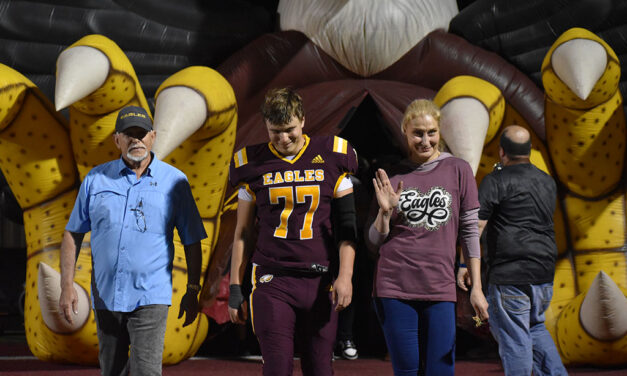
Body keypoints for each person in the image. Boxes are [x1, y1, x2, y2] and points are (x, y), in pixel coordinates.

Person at [58, 105, 206, 376]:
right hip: (106, 294)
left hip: (151, 294)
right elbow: (73, 233)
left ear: (153, 137)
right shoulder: (96, 179)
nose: (136, 140)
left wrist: (193, 290)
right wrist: (66, 286)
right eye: (129, 134)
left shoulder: (175, 181)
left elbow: (192, 239)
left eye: (142, 134)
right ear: (117, 139)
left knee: (146, 372)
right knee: (112, 370)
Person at [228, 87, 358, 376]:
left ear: (303, 120)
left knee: (320, 370)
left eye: (289, 130)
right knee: (276, 368)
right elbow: (243, 233)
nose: (283, 139)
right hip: (272, 278)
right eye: (275, 131)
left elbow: (347, 227)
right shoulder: (251, 162)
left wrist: (346, 276)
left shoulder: (333, 154)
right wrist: (236, 287)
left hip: (320, 278)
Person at [367, 99, 489, 376]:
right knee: (408, 372)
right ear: (405, 131)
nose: (425, 140)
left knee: (440, 372)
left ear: (439, 132)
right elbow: (373, 244)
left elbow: (470, 231)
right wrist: (384, 213)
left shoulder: (458, 170)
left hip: (440, 288)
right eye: (418, 133)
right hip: (393, 286)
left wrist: (477, 288)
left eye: (431, 132)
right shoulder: (392, 174)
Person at [457, 125, 567, 376]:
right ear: (529, 151)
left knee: (514, 340)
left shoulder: (495, 181)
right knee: (535, 328)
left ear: (501, 151)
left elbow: (477, 226)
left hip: (510, 274)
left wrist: (464, 265)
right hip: (544, 273)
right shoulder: (547, 181)